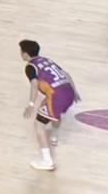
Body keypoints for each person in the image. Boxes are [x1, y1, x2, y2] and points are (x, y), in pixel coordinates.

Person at [19, 40, 81, 171]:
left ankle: (47, 161)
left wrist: (31, 104)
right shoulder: (46, 60)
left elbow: (34, 85)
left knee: (39, 125)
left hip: (57, 97)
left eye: (21, 51)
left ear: (25, 53)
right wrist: (74, 92)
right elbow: (66, 74)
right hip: (68, 92)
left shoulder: (30, 67)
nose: (20, 53)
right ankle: (54, 137)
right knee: (50, 110)